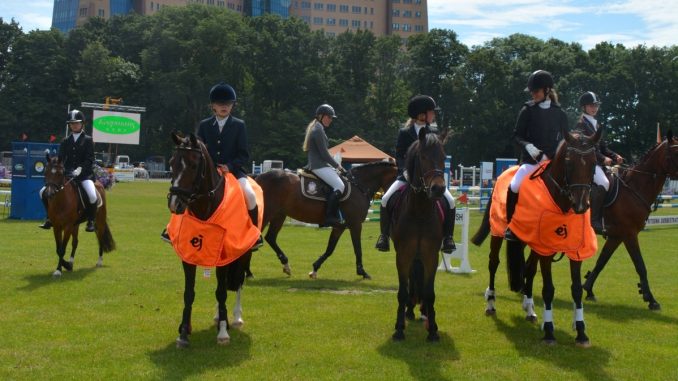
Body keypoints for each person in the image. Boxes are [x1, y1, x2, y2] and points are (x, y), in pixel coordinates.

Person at [161, 83, 262, 248]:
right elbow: (198, 151)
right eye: (220, 104)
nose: (224, 106)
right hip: (209, 172)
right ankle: (171, 230)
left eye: (228, 103)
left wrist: (229, 166)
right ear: (213, 106)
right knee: (185, 192)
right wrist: (211, 167)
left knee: (250, 195)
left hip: (234, 172)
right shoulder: (205, 125)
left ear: (232, 105)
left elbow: (243, 154)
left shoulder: (239, 125)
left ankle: (254, 234)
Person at [374, 95, 456, 253]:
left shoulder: (434, 132)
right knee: (385, 199)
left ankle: (448, 238)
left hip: (429, 179)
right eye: (432, 112)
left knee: (451, 201)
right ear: (422, 114)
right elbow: (399, 154)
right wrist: (404, 170)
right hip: (406, 177)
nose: (434, 115)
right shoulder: (405, 132)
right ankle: (384, 236)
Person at [504, 70, 568, 241]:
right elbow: (516, 136)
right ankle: (511, 225)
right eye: (532, 92)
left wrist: (550, 155)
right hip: (531, 161)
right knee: (515, 184)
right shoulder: (527, 110)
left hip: (553, 161)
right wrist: (528, 146)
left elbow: (565, 139)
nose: (533, 94)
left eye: (536, 91)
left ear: (547, 90)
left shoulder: (560, 113)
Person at [39, 109, 97, 232]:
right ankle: (49, 217)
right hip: (68, 174)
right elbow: (61, 159)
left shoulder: (88, 140)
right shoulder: (65, 141)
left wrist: (81, 168)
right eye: (71, 123)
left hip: (84, 175)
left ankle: (91, 220)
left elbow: (90, 159)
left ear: (82, 124)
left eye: (76, 123)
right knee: (42, 192)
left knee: (92, 194)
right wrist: (53, 163)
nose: (74, 125)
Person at [575, 91, 623, 234]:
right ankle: (594, 220)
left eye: (596, 105)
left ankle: (608, 216)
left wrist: (615, 156)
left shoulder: (596, 124)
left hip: (598, 162)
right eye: (591, 105)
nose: (594, 108)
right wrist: (603, 159)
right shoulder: (581, 125)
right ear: (584, 107)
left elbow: (603, 147)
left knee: (617, 181)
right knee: (604, 183)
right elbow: (586, 147)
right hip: (587, 163)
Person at [302, 103, 346, 226]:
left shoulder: (317, 128)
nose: (331, 120)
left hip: (319, 164)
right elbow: (324, 155)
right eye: (329, 117)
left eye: (331, 118)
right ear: (321, 116)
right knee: (340, 185)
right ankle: (329, 217)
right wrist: (338, 166)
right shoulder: (318, 130)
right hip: (318, 165)